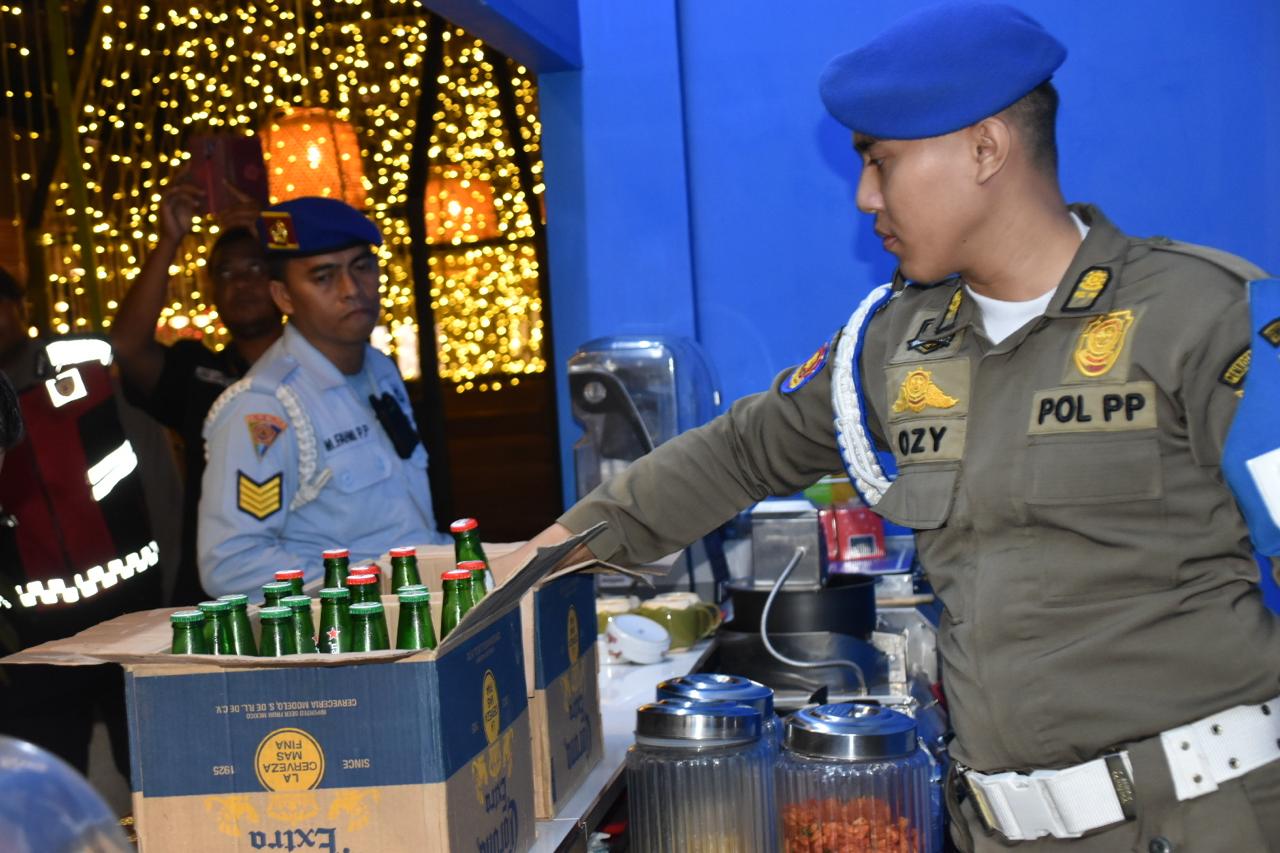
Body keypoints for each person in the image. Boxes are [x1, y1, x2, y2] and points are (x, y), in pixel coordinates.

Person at [498, 3, 1279, 850]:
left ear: (985, 149)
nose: (867, 194)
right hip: (997, 827)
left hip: (1200, 819)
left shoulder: (1207, 316)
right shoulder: (898, 342)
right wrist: (533, 563)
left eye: (881, 160)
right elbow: (737, 453)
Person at [197, 196, 448, 598]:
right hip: (348, 638)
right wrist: (368, 587)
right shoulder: (265, 406)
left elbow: (405, 527)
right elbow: (231, 563)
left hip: (415, 614)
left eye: (362, 267)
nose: (352, 290)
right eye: (324, 277)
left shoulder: (379, 370)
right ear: (283, 297)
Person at [0, 267, 178, 782]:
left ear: (20, 306)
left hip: (134, 616)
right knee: (44, 795)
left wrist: (172, 586)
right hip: (33, 646)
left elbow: (157, 467)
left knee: (159, 779)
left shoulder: (89, 362)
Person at [112, 179, 280, 605]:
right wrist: (170, 240)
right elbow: (128, 348)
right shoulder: (200, 370)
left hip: (309, 581)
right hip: (215, 594)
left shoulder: (315, 367)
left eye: (256, 268)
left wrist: (273, 226)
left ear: (281, 282)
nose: (240, 282)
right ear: (211, 291)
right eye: (225, 272)